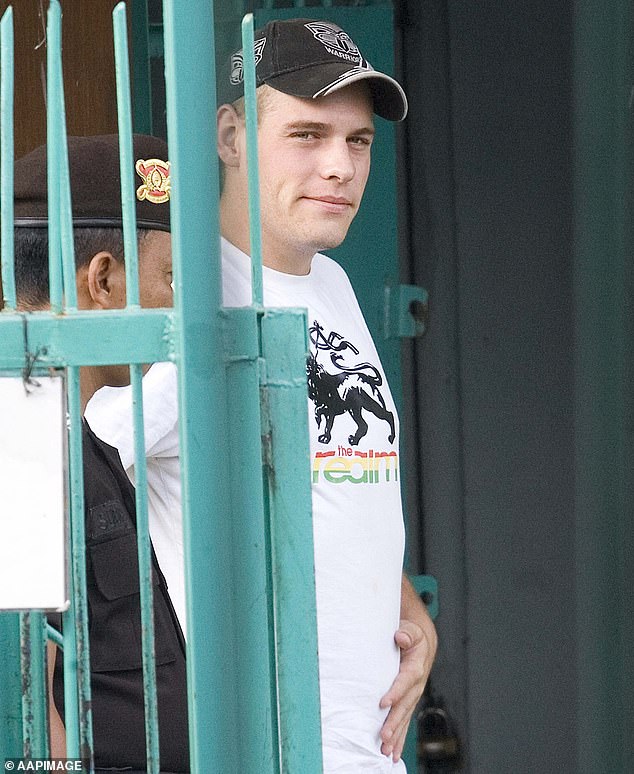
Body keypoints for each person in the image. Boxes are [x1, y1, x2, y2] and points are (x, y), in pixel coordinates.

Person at [87, 16, 438, 772]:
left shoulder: (332, 283)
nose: (339, 166)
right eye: (307, 135)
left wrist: (400, 600)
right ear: (230, 136)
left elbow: (329, 475)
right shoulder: (188, 294)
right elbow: (76, 470)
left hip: (365, 745)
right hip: (262, 745)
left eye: (358, 141)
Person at [12, 134, 189, 773]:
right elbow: (23, 693)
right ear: (105, 281)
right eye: (170, 275)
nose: (180, 302)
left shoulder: (64, 430)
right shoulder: (20, 439)